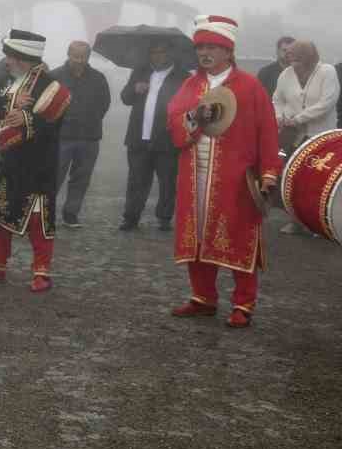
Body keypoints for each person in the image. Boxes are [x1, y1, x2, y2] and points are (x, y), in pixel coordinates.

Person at [166, 16, 280, 327]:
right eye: (201, 47)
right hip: (194, 176)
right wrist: (193, 115)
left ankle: (244, 303)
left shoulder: (250, 86)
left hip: (236, 178)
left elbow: (267, 131)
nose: (205, 53)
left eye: (212, 47)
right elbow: (174, 123)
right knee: (197, 236)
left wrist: (268, 173)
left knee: (239, 236)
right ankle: (203, 298)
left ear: (229, 51)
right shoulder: (191, 85)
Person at [0, 30, 70, 291]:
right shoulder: (6, 80)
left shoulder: (49, 86)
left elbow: (53, 123)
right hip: (2, 160)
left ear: (24, 58)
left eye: (10, 57)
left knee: (36, 217)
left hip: (35, 163)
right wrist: (10, 102)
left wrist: (24, 119)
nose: (7, 62)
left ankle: (41, 273)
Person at [118, 40, 189, 232]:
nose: (157, 56)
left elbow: (189, 107)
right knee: (136, 180)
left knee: (167, 181)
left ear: (170, 53)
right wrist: (134, 89)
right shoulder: (140, 72)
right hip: (138, 138)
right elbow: (125, 98)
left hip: (167, 139)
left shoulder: (183, 77)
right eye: (154, 52)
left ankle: (164, 218)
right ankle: (131, 217)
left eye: (162, 52)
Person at [272, 41, 339, 235]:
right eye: (290, 58)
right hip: (292, 136)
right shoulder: (286, 74)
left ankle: (320, 222)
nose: (293, 63)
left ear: (309, 57)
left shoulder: (327, 72)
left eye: (298, 59)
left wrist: (299, 118)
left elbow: (327, 102)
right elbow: (277, 99)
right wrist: (279, 116)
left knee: (317, 180)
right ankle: (296, 220)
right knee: (290, 176)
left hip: (320, 136)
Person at [49, 41, 111, 228]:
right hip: (61, 137)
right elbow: (46, 105)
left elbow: (104, 104)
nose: (79, 60)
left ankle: (71, 213)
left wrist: (90, 119)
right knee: (53, 177)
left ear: (88, 57)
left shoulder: (98, 78)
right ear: (68, 54)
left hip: (89, 136)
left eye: (83, 56)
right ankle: (45, 212)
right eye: (76, 56)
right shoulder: (54, 76)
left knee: (81, 178)